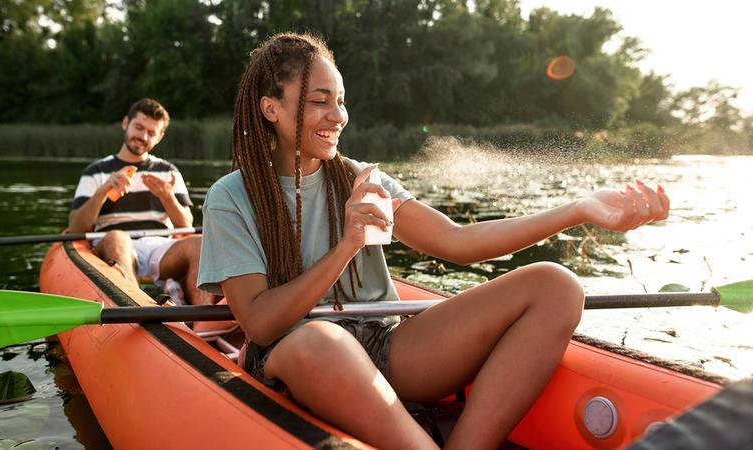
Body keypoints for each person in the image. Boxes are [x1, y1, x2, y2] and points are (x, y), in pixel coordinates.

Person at [197, 33, 670, 449]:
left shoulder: (363, 180)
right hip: (296, 356)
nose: (338, 115)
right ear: (270, 107)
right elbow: (259, 323)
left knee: (556, 284)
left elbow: (457, 240)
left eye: (341, 100)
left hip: (384, 347)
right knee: (321, 341)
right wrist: (347, 246)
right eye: (320, 101)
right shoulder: (231, 197)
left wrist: (577, 210)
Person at [70, 98, 214, 306]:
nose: (143, 136)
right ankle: (137, 309)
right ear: (125, 123)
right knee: (117, 238)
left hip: (162, 248)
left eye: (151, 133)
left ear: (160, 137)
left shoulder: (168, 171)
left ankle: (204, 324)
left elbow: (185, 226)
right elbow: (76, 227)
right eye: (138, 127)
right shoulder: (96, 171)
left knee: (200, 242)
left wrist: (166, 196)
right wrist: (104, 191)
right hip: (115, 244)